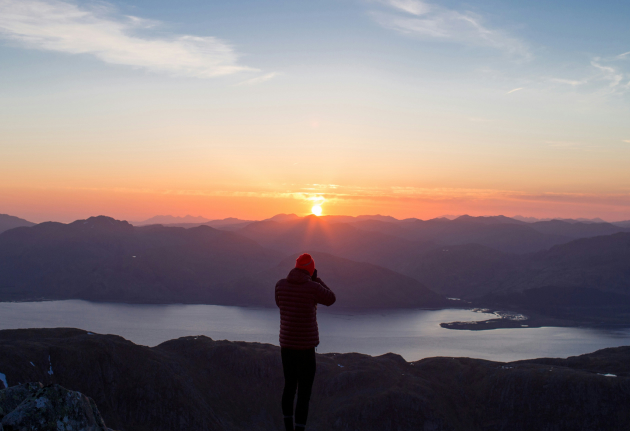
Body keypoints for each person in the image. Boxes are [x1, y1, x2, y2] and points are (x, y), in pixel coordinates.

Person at [275, 253, 336, 431]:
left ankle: (288, 427)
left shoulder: (280, 285)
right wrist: (317, 280)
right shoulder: (313, 288)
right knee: (304, 392)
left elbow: (280, 304)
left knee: (289, 386)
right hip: (306, 349)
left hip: (286, 347)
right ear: (310, 269)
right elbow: (331, 299)